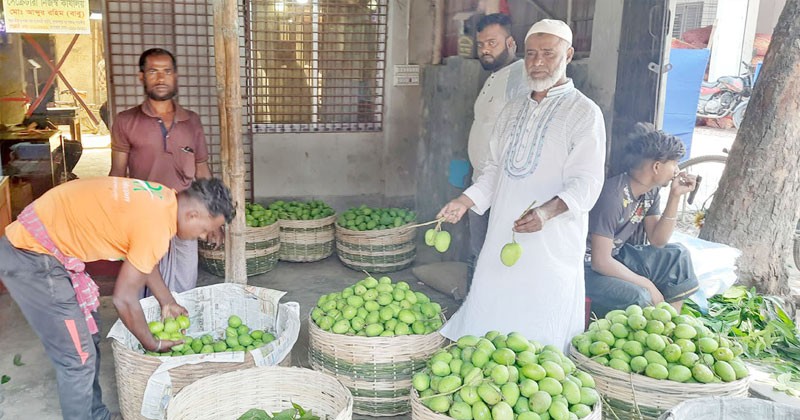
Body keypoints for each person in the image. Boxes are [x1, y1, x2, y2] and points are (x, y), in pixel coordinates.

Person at [0, 176, 235, 420]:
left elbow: (141, 259)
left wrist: (167, 300)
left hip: (46, 248)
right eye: (206, 229)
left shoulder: (164, 199)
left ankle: (97, 415)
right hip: (32, 256)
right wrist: (151, 343)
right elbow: (123, 299)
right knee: (77, 358)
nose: (203, 236)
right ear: (193, 215)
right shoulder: (157, 224)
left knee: (88, 340)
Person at [437, 20, 606, 350]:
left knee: (541, 332)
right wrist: (465, 201)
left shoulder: (584, 112)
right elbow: (494, 171)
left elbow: (587, 182)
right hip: (503, 233)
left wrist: (546, 212)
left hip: (551, 241)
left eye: (548, 53)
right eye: (531, 54)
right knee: (490, 318)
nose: (538, 62)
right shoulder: (512, 109)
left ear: (568, 54)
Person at [109, 48, 221, 296]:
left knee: (185, 281)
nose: (161, 78)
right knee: (144, 281)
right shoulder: (126, 121)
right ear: (141, 77)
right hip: (144, 215)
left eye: (167, 71)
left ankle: (178, 329)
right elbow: (117, 173)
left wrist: (212, 216)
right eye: (153, 71)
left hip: (186, 214)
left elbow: (202, 168)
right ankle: (146, 331)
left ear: (176, 76)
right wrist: (114, 216)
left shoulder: (191, 120)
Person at [585, 123, 699, 316]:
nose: (676, 170)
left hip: (615, 256)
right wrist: (647, 284)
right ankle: (655, 331)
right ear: (656, 167)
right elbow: (600, 261)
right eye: (674, 163)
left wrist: (675, 196)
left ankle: (671, 326)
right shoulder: (612, 196)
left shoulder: (650, 192)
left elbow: (657, 240)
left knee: (677, 256)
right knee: (639, 296)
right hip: (586, 269)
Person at [466, 13, 528, 285]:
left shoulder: (520, 77)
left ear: (511, 43)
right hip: (481, 182)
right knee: (479, 252)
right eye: (481, 44)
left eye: (492, 42)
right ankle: (475, 309)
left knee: (495, 255)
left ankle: (488, 314)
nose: (485, 50)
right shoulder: (494, 76)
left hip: (502, 185)